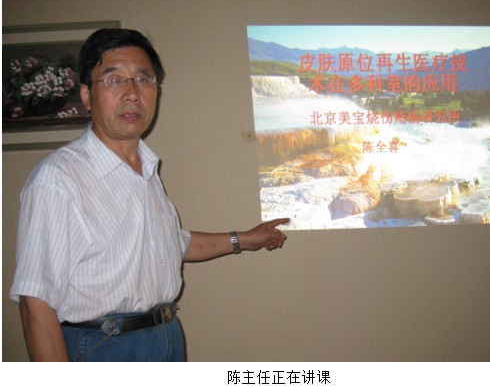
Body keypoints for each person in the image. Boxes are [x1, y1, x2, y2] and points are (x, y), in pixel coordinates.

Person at [10, 28, 289, 362]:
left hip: (163, 336)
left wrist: (244, 239)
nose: (132, 94)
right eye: (114, 80)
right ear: (86, 95)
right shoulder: (58, 178)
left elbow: (172, 244)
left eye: (143, 79)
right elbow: (36, 301)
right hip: (105, 346)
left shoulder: (146, 170)